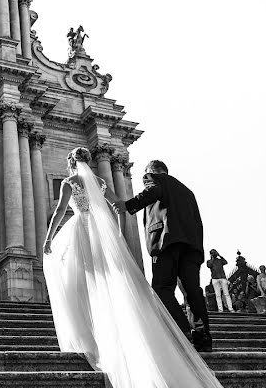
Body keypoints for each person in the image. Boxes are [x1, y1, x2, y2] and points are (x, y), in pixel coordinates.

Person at [44, 148, 223, 388]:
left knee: (154, 287)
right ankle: (201, 336)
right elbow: (118, 206)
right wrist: (118, 232)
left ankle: (178, 333)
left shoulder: (73, 182)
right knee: (192, 290)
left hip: (147, 241)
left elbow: (60, 212)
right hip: (187, 245)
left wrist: (48, 238)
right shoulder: (102, 182)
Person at [113, 159, 214, 354]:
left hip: (166, 242)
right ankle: (203, 338)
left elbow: (152, 192)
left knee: (161, 288)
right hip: (191, 246)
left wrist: (128, 205)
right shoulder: (187, 191)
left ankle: (182, 331)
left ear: (153, 172)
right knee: (192, 291)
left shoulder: (152, 178)